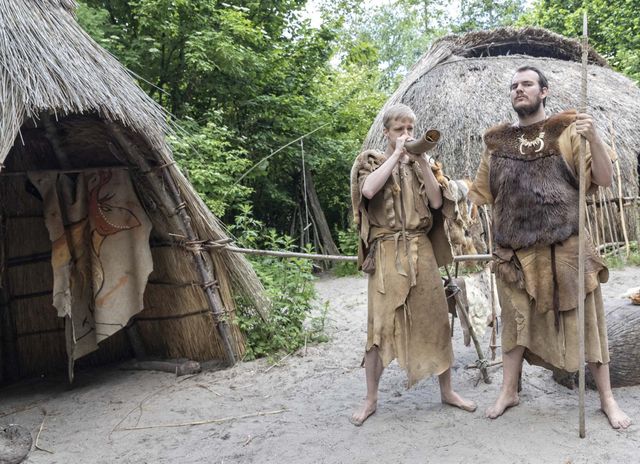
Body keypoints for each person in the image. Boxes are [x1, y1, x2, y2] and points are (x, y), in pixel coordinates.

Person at [469, 65, 631, 429]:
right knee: (515, 324)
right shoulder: (495, 141)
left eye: (526, 84)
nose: (518, 89)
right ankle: (509, 391)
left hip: (567, 248)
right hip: (515, 253)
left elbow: (602, 179)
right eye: (513, 85)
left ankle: (606, 398)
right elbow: (482, 194)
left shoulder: (569, 129)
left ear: (544, 91)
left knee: (587, 323)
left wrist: (596, 139)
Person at [349, 103, 476, 426]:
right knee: (379, 327)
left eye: (410, 129)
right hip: (388, 251)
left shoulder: (425, 164)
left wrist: (419, 160)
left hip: (421, 249)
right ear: (387, 133)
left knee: (436, 320)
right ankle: (371, 399)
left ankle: (447, 391)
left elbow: (435, 202)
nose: (406, 135)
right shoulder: (372, 162)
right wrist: (396, 156)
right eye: (399, 130)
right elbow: (368, 190)